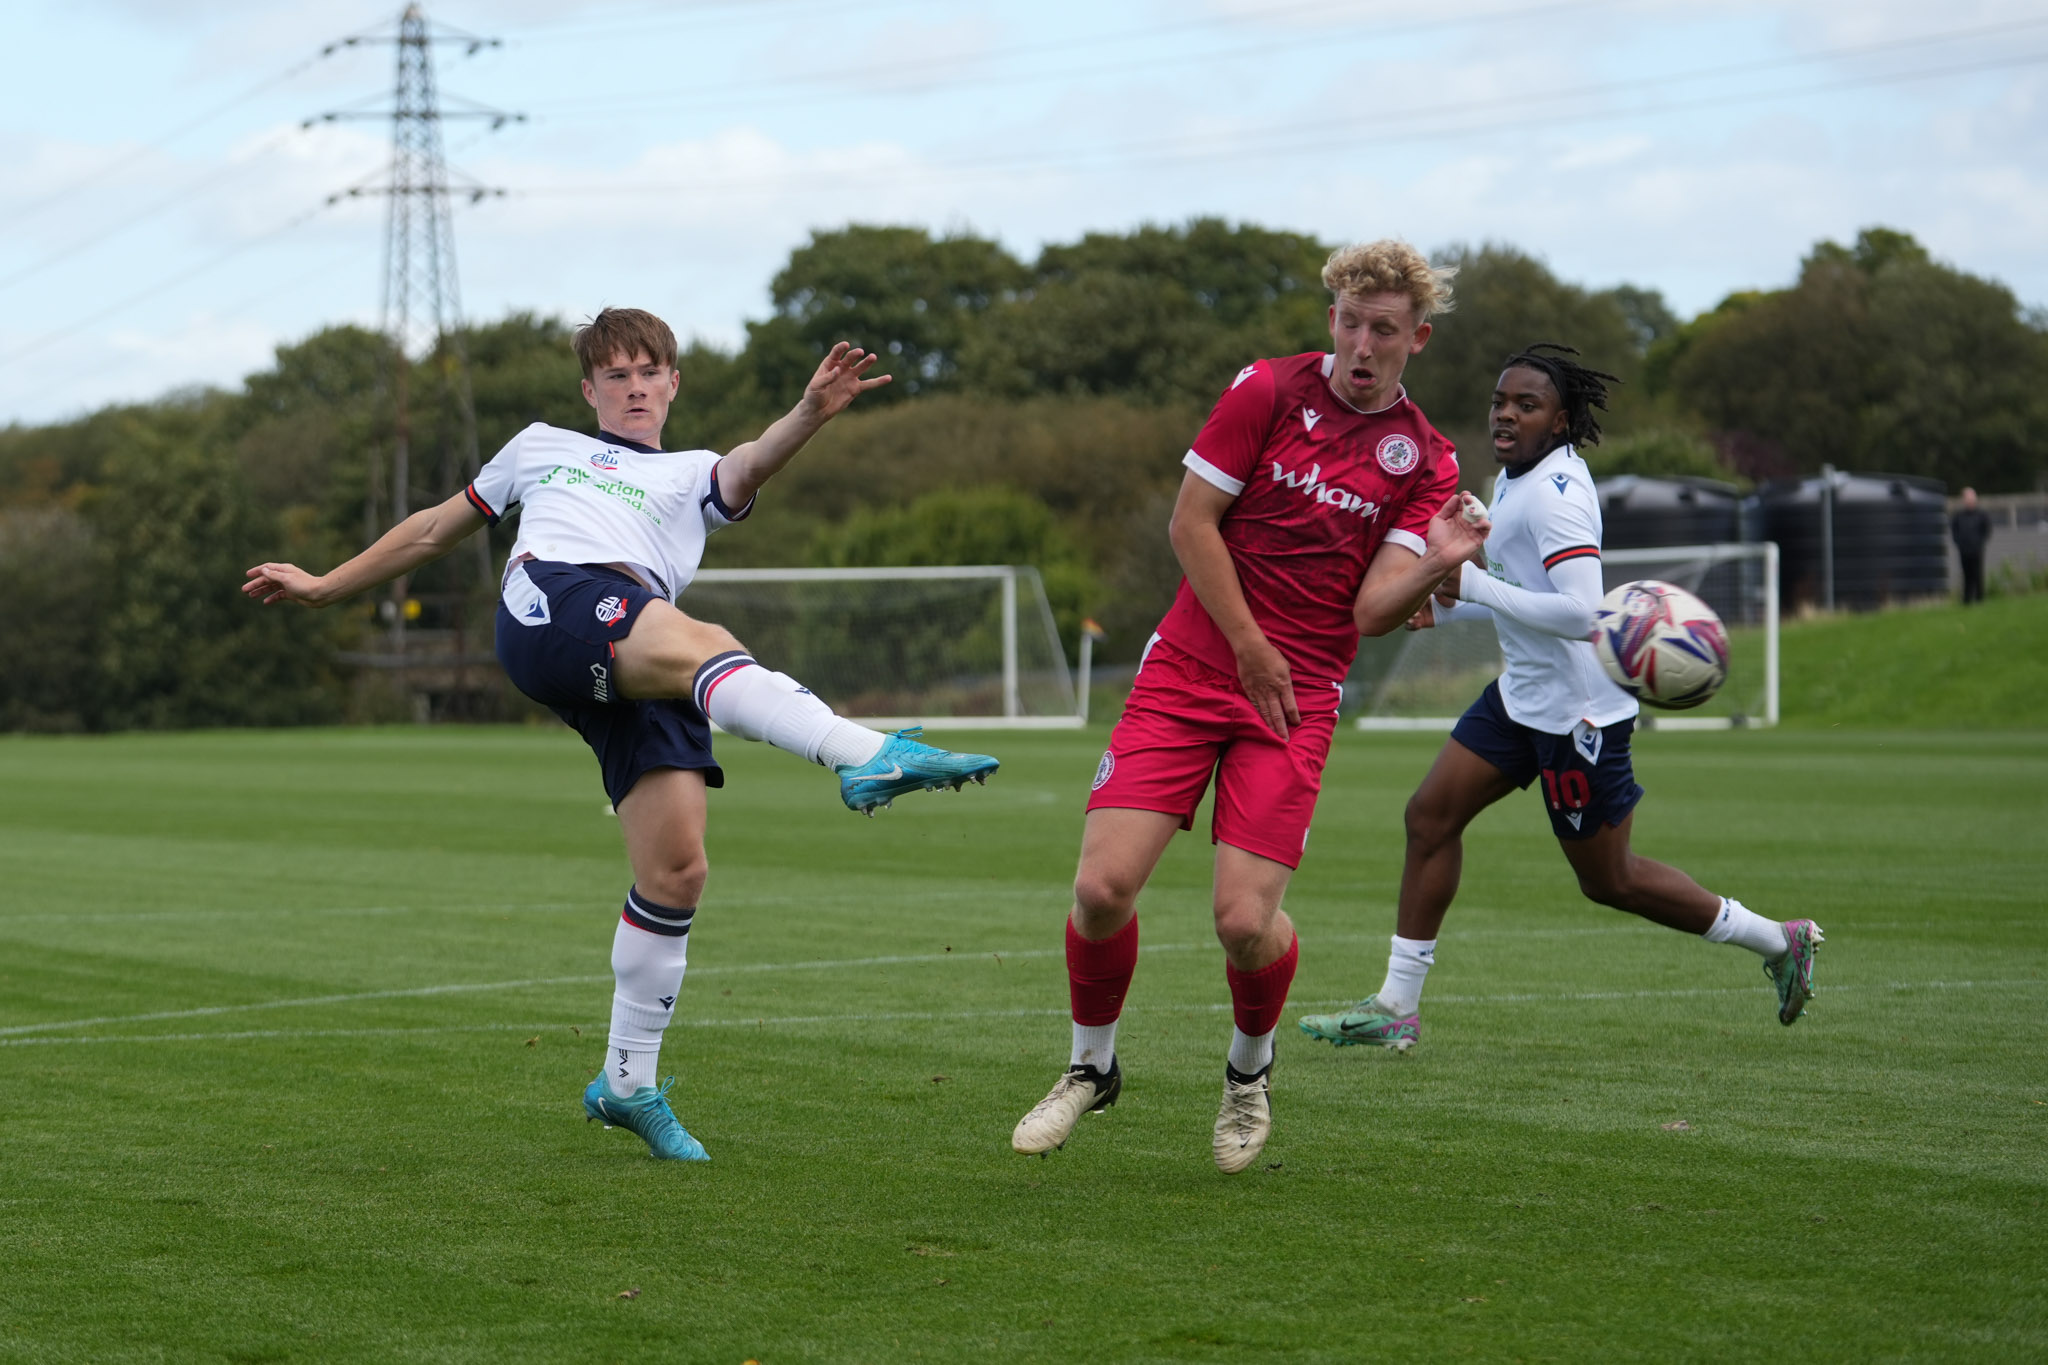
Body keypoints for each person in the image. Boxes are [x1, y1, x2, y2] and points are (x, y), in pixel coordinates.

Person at [244, 308, 999, 1163]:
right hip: (554, 603)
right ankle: (863, 755)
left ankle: (627, 1082)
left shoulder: (689, 473)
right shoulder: (539, 446)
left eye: (650, 371)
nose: (635, 386)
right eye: (617, 375)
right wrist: (324, 586)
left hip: (642, 642)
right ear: (589, 391)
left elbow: (747, 463)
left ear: (673, 382)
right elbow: (433, 527)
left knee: (677, 870)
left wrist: (810, 414)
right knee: (708, 642)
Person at [1008, 241, 1489, 1174]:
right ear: (1331, 321)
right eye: (1348, 322)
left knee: (1242, 920)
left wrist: (1438, 559)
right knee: (1102, 889)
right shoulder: (1266, 391)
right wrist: (1249, 643)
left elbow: (1374, 612)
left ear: (1415, 339)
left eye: (1382, 329)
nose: (1360, 344)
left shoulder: (1425, 459)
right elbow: (1190, 525)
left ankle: (1248, 1071)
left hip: (1296, 696)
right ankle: (1090, 1066)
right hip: (1190, 668)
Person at [1297, 344, 1822, 1053]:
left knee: (1611, 880)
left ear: (1562, 419)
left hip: (1580, 715)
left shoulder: (1555, 496)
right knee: (1428, 817)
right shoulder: (1516, 478)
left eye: (1526, 404)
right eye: (1500, 401)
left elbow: (1581, 612)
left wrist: (1471, 585)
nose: (1506, 414)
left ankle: (1779, 939)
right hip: (1522, 698)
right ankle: (1397, 1005)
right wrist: (1447, 607)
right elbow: (1528, 599)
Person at [1951, 487, 1992, 605]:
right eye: (1967, 498)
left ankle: (1980, 599)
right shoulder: (1959, 516)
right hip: (1964, 550)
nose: (1969, 500)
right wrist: (1958, 543)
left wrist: (1980, 543)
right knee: (1966, 575)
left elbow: (1986, 530)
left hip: (1977, 550)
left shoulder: (1981, 515)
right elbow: (1954, 531)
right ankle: (1966, 600)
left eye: (1971, 498)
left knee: (1978, 574)